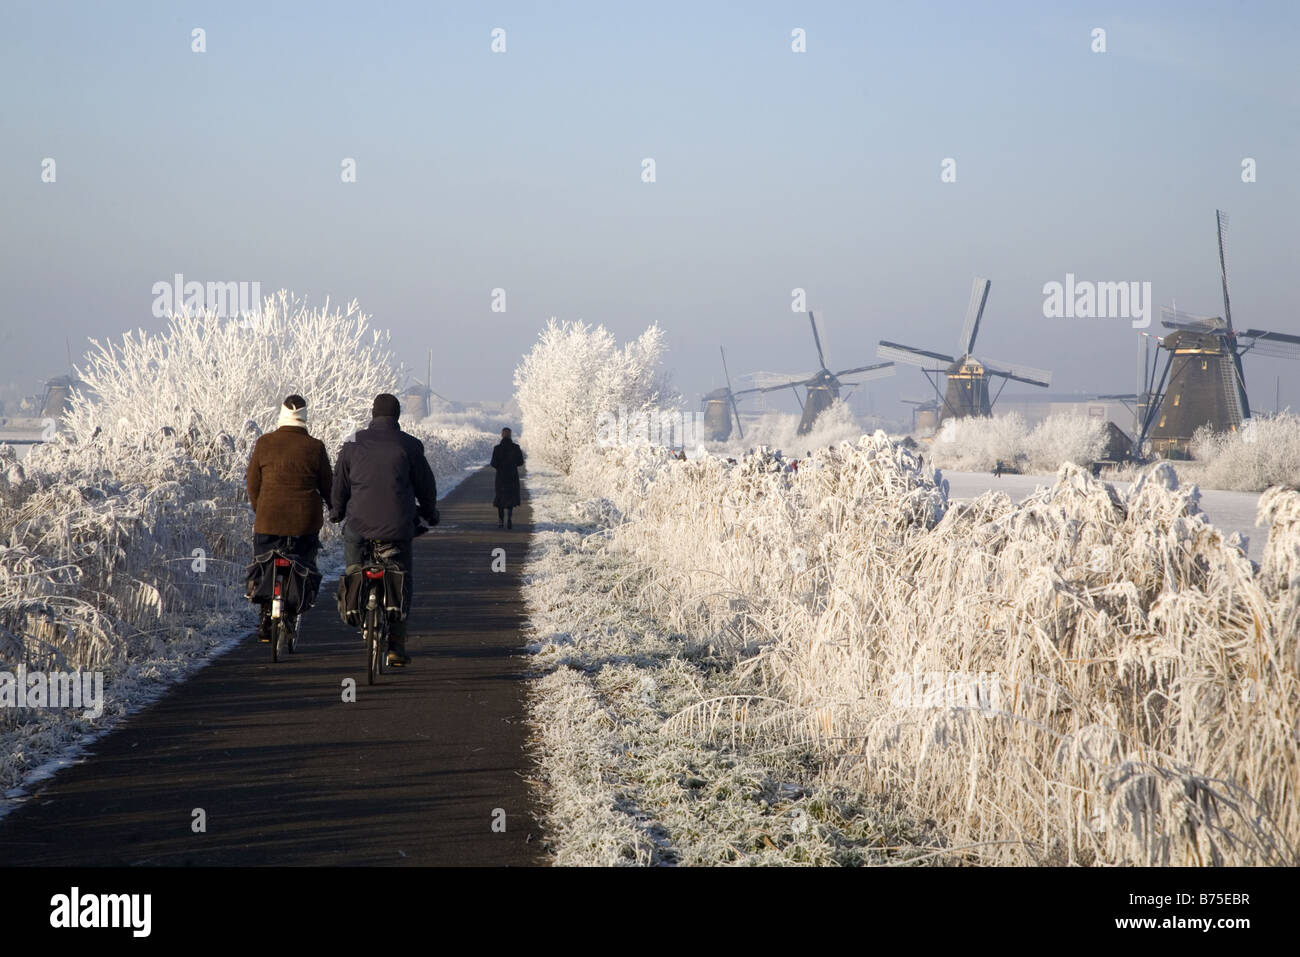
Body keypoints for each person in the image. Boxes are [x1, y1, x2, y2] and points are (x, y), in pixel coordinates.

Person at [330, 394, 438, 667]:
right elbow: (425, 485)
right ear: (398, 416)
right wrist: (428, 512)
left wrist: (337, 511)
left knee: (353, 566)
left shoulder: (353, 442)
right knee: (403, 576)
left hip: (358, 524)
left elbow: (340, 482)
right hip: (398, 526)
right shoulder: (410, 445)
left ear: (373, 413)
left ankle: (354, 597)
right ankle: (396, 646)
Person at [245, 394, 333, 642]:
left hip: (268, 519)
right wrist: (335, 508)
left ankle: (265, 614)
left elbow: (252, 482)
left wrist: (259, 507)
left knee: (264, 563)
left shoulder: (264, 443)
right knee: (304, 562)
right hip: (304, 521)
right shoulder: (315, 447)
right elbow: (327, 486)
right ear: (305, 416)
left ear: (281, 414)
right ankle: (294, 609)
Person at [489, 427, 525, 528]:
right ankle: (509, 518)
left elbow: (493, 463)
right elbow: (521, 462)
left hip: (501, 477)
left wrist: (500, 466)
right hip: (512, 476)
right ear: (510, 435)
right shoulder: (516, 448)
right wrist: (512, 465)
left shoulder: (497, 448)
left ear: (501, 435)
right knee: (511, 498)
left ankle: (500, 520)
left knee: (500, 498)